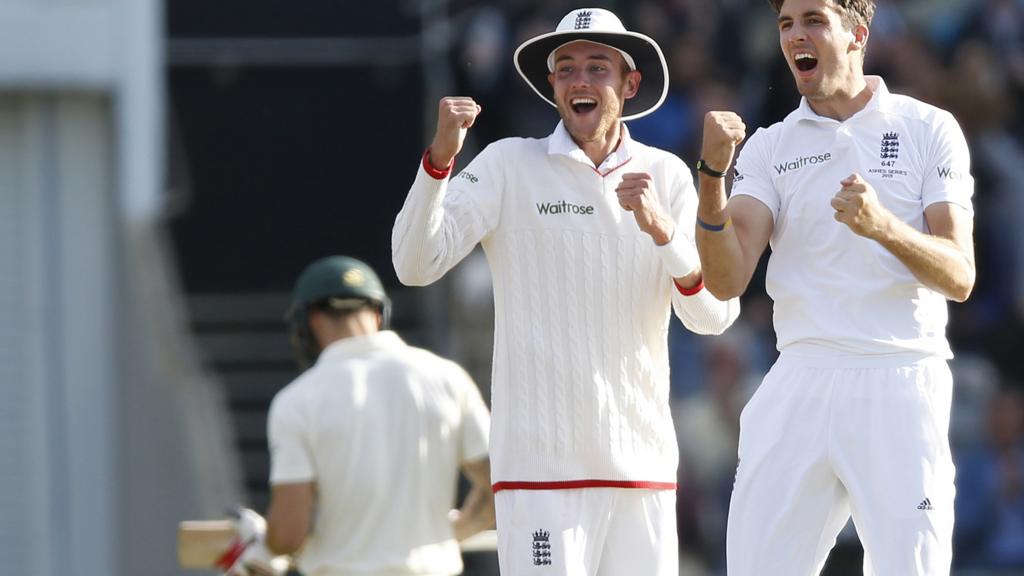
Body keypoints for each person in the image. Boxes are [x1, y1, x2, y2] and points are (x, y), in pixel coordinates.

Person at [392, 8, 740, 576]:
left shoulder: (670, 176)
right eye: (567, 68)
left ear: (629, 84)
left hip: (641, 467)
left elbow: (713, 316)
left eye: (597, 68)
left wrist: (664, 234)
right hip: (538, 472)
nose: (580, 81)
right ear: (551, 84)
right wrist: (439, 160)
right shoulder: (508, 163)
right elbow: (414, 263)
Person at [695, 0, 976, 574]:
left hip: (899, 373)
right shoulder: (770, 145)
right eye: (785, 24)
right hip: (799, 374)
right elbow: (726, 280)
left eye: (813, 20)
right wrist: (711, 178)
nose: (795, 34)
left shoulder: (928, 127)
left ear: (858, 34)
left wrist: (884, 228)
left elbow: (960, 274)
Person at [224, 255, 494, 576]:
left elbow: (289, 534)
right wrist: (449, 534)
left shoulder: (297, 401)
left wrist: (263, 543)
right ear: (379, 313)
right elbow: (500, 483)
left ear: (310, 319)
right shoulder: (447, 378)